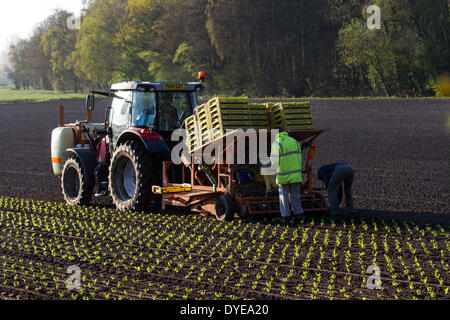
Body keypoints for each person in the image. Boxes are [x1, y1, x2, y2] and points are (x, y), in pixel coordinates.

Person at [270, 127, 304, 223]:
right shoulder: (294, 141)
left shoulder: (276, 143)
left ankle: (286, 217)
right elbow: (300, 157)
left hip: (283, 175)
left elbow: (274, 161)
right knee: (295, 195)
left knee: (283, 196)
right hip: (296, 175)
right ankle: (299, 215)